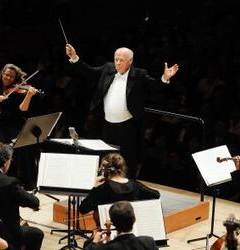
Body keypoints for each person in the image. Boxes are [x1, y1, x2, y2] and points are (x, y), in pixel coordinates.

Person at [66, 44, 179, 178]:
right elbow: (89, 72)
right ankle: (106, 186)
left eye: (122, 60)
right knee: (107, 158)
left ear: (130, 61)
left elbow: (153, 86)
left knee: (127, 160)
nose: (118, 63)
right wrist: (74, 57)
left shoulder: (138, 74)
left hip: (127, 126)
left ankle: (127, 189)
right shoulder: (108, 68)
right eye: (116, 59)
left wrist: (165, 78)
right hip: (107, 124)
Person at [0, 63, 40, 189]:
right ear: (2, 74)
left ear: (16, 78)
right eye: (6, 75)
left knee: (25, 144)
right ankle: (1, 178)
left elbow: (23, 109)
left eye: (11, 77)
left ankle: (25, 182)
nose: (8, 78)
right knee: (2, 143)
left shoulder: (18, 91)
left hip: (13, 125)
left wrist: (28, 95)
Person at [78, 152, 160, 226]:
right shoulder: (135, 185)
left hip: (108, 232)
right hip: (130, 229)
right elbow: (156, 195)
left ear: (104, 171)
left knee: (88, 243)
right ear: (122, 168)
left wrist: (95, 188)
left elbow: (83, 209)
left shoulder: (103, 189)